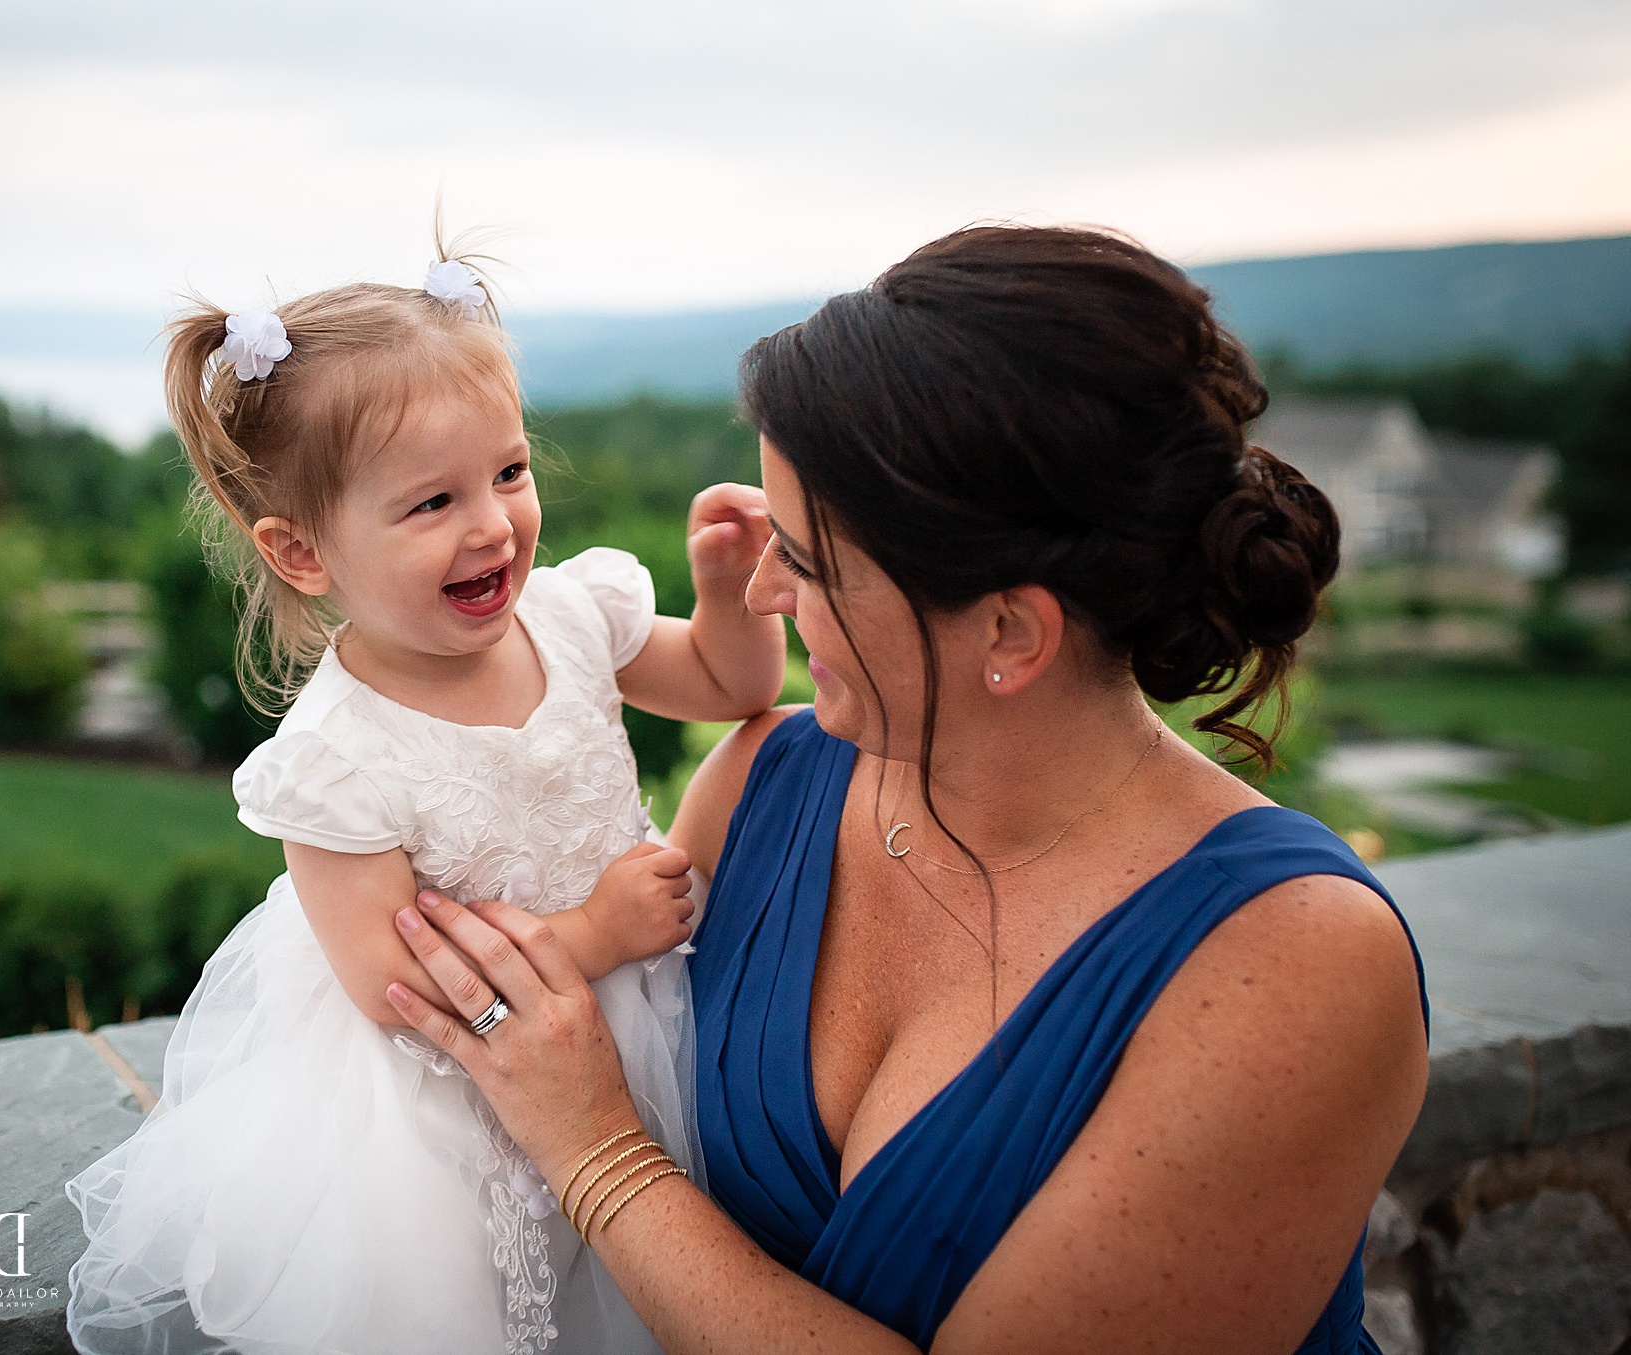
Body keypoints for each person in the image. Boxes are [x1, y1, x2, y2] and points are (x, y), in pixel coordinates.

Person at [383, 226, 1432, 1354]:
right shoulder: (760, 785)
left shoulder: (1295, 962)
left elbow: (604, 1123)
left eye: (811, 560)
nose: (767, 591)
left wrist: (596, 1152)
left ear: (1008, 629)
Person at [63, 251, 785, 1354]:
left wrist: (730, 591)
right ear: (302, 550)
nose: (492, 524)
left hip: (643, 1023)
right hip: (462, 1104)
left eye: (507, 471)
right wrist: (593, 931)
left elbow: (732, 689)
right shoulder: (336, 758)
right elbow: (395, 988)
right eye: (432, 501)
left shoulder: (570, 614)